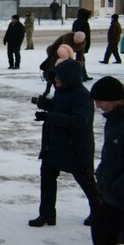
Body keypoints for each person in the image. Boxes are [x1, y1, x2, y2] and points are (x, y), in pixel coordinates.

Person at [29, 57, 99, 227]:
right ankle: (46, 214)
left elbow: (79, 120)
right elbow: (59, 108)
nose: (56, 81)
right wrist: (46, 105)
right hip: (54, 145)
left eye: (59, 78)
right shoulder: (61, 91)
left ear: (70, 77)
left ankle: (98, 213)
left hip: (76, 148)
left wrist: (49, 116)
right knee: (47, 179)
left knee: (88, 183)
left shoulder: (82, 96)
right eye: (54, 78)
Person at [89, 76, 124, 244]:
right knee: (100, 231)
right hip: (110, 194)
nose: (97, 106)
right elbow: (110, 154)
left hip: (119, 194)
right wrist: (102, 172)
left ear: (116, 100)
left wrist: (116, 186)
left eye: (100, 101)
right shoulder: (112, 120)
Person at [73, 8, 93, 82]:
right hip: (82, 43)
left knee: (80, 59)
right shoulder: (84, 23)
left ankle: (83, 75)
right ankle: (81, 75)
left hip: (77, 42)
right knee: (80, 59)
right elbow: (87, 35)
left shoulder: (76, 22)